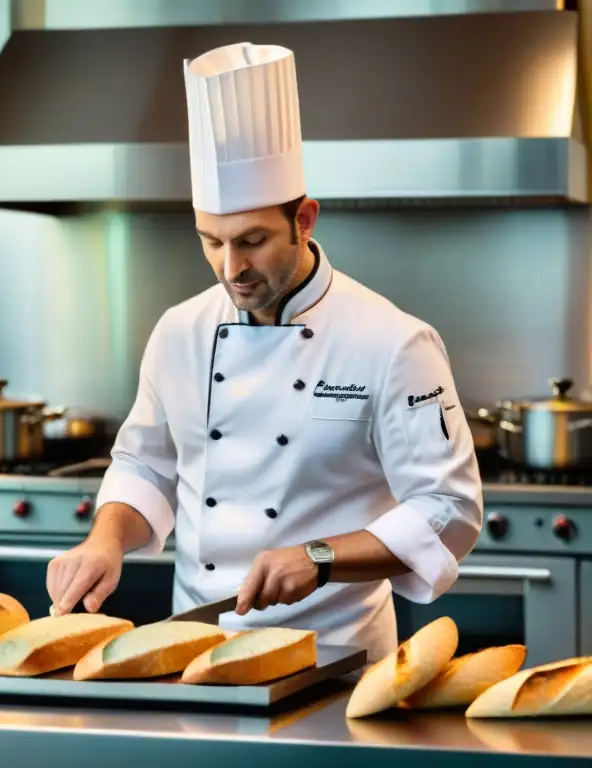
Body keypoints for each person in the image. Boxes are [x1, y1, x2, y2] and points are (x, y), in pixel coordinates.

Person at [45, 42, 483, 662]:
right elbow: (146, 466)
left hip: (332, 659)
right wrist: (106, 540)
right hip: (193, 651)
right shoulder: (179, 332)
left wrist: (320, 557)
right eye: (211, 241)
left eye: (252, 240)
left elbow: (450, 509)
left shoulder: (393, 342)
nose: (231, 269)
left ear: (305, 219)